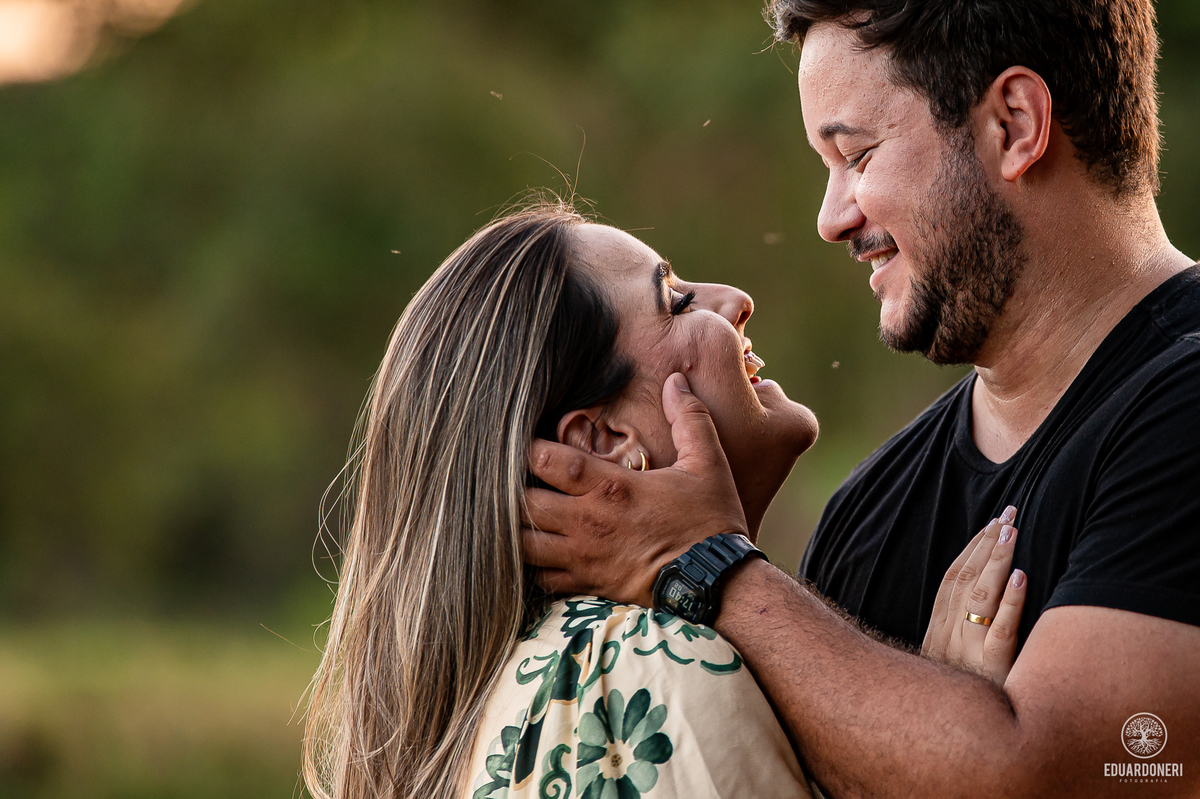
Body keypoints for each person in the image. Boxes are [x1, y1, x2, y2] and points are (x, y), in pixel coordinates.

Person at [521, 1, 1200, 796]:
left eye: (858, 155)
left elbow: (1065, 773)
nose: (831, 217)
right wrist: (941, 713)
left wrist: (710, 566)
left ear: (1016, 125)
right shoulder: (864, 518)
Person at [301, 203, 823, 799]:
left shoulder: (545, 677)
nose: (736, 300)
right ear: (602, 445)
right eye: (675, 301)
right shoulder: (649, 674)